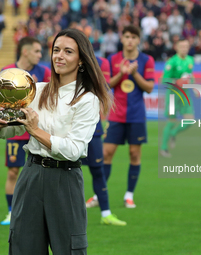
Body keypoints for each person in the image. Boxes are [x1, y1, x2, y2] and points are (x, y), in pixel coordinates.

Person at [0, 28, 112, 254]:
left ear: (81, 59)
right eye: (56, 50)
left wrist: (35, 130)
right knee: (23, 247)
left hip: (65, 180)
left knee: (69, 249)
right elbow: (11, 131)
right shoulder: (37, 91)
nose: (59, 56)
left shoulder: (87, 99)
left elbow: (74, 150)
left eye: (68, 51)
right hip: (31, 176)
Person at [97, 25, 154, 208]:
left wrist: (135, 73)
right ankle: (100, 195)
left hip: (136, 115)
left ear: (138, 40)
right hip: (116, 115)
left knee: (134, 154)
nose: (130, 40)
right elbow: (106, 86)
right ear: (122, 39)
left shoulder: (147, 60)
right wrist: (122, 73)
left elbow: (149, 87)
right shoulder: (113, 59)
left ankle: (129, 194)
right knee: (106, 153)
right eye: (127, 36)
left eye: (133, 37)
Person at [0, 36, 51, 226]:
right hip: (15, 129)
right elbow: (2, 101)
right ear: (25, 51)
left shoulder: (44, 72)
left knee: (40, 173)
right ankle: (11, 212)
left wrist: (36, 89)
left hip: (37, 129)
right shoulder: (7, 72)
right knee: (13, 172)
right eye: (37, 51)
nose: (40, 55)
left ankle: (39, 212)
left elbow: (49, 100)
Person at [83, 56, 126, 226]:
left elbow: (103, 89)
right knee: (67, 172)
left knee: (98, 171)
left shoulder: (101, 62)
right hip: (69, 128)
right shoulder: (65, 61)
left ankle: (106, 213)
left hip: (93, 127)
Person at [160, 37, 195, 158]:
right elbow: (164, 80)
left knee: (190, 120)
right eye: (182, 46)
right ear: (177, 47)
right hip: (173, 95)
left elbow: (190, 75)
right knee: (171, 121)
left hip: (185, 95)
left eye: (186, 46)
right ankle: (164, 148)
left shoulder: (190, 60)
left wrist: (194, 87)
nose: (184, 49)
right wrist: (176, 81)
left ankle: (173, 133)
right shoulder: (172, 62)